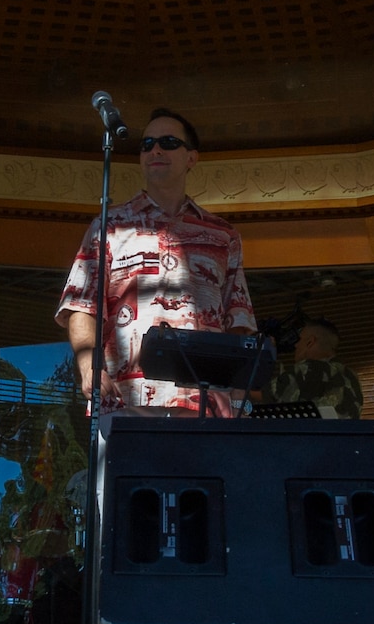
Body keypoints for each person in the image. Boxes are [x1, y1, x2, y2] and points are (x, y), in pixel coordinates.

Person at [57, 107, 256, 413]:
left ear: (191, 158)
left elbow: (238, 321)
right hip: (127, 400)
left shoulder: (223, 235)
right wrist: (88, 366)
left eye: (168, 142)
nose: (156, 150)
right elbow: (81, 306)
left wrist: (239, 394)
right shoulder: (110, 225)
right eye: (147, 144)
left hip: (204, 402)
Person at [261, 318, 362, 417]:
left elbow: (262, 396)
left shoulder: (308, 368)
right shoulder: (352, 377)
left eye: (299, 340)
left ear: (310, 342)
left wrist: (262, 353)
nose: (296, 345)